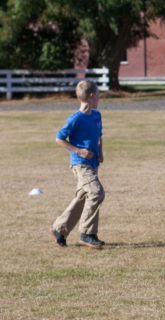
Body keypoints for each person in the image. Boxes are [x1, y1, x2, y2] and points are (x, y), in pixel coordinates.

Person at [50, 79, 106, 249]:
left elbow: (98, 136)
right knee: (96, 193)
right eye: (97, 95)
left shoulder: (96, 115)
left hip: (93, 164)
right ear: (91, 96)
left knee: (82, 198)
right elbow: (59, 138)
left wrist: (100, 152)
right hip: (80, 164)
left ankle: (59, 229)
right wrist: (79, 151)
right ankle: (88, 234)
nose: (98, 98)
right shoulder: (75, 118)